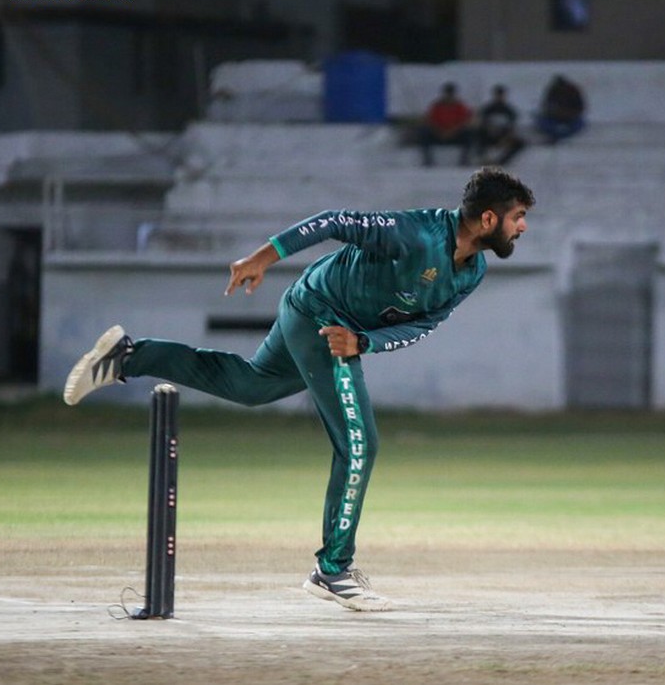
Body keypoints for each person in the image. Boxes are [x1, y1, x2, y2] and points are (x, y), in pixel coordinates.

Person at [62, 166, 535, 612]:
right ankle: (332, 569)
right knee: (359, 444)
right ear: (487, 219)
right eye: (517, 217)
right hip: (319, 314)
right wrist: (263, 258)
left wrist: (365, 342)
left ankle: (129, 356)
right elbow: (333, 221)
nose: (522, 227)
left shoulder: (472, 271)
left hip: (337, 330)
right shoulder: (416, 232)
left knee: (250, 385)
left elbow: (425, 324)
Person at [418, 82, 475, 166]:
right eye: (447, 93)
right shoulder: (436, 106)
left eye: (450, 94)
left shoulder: (460, 106)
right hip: (438, 134)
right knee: (424, 133)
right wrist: (439, 131)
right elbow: (430, 121)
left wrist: (452, 131)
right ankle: (427, 160)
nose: (449, 96)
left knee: (468, 134)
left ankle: (464, 159)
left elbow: (464, 122)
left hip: (455, 135)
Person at [476, 84, 526, 165]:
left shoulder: (509, 111)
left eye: (501, 95)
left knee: (520, 143)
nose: (499, 97)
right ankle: (483, 158)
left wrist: (506, 138)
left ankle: (501, 162)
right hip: (488, 135)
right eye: (498, 95)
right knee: (477, 135)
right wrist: (490, 130)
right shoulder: (487, 109)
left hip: (503, 137)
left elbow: (512, 127)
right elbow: (480, 123)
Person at [533, 74, 585, 144]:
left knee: (578, 124)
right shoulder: (552, 91)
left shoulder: (573, 91)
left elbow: (580, 107)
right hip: (554, 116)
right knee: (542, 121)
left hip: (571, 117)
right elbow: (546, 105)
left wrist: (569, 113)